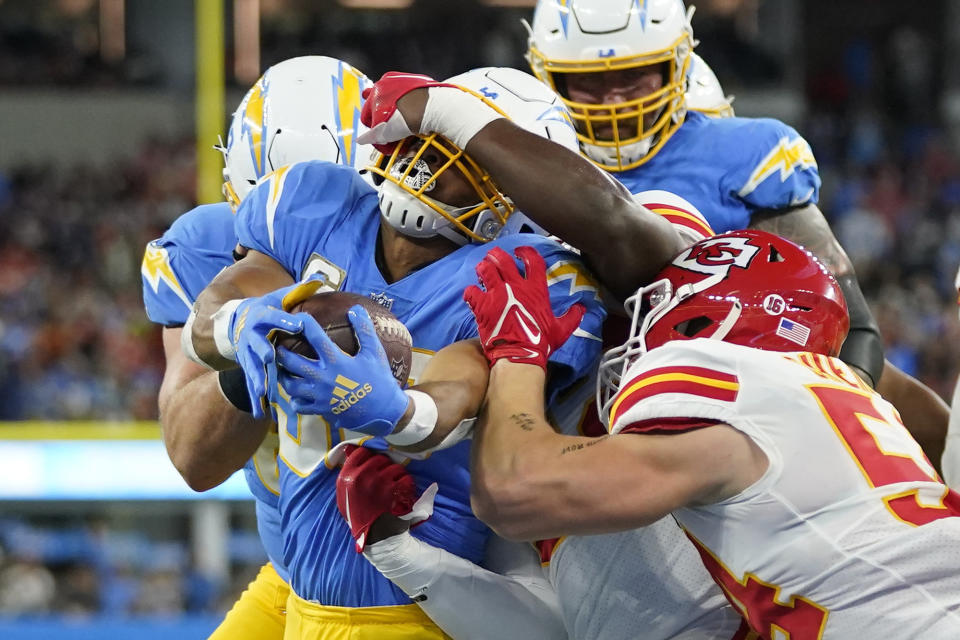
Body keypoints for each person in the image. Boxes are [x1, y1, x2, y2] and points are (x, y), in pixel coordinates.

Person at [183, 65, 694, 639]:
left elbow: (468, 379)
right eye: (425, 141)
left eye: (458, 153)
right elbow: (218, 305)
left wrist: (402, 413)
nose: (428, 161)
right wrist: (233, 325)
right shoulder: (320, 199)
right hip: (301, 590)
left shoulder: (527, 269)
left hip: (419, 609)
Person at [468, 229, 960, 638]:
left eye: (659, 307)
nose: (642, 332)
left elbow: (515, 490)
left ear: (715, 314)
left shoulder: (726, 375)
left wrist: (516, 355)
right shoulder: (851, 397)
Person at [524, 0, 949, 459]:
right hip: (573, 405)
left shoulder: (742, 153)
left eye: (634, 75)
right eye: (588, 81)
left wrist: (832, 413)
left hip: (735, 399)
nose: (613, 98)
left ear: (678, 64)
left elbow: (849, 322)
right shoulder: (524, 162)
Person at [141, 55, 375, 639]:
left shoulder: (426, 247)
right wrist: (253, 353)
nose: (289, 239)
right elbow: (193, 456)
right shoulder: (204, 251)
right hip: (297, 572)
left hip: (414, 572)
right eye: (269, 226)